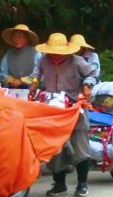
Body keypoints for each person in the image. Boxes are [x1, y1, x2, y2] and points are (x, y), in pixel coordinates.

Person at [30, 33, 96, 196]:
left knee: (80, 145)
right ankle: (59, 184)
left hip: (75, 107)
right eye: (52, 51)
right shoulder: (44, 60)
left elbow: (92, 74)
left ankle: (82, 184)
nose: (55, 54)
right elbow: (36, 73)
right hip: (54, 108)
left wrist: (87, 86)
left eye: (58, 51)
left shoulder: (77, 61)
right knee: (55, 146)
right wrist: (34, 83)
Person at [1, 24, 41, 88]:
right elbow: (2, 73)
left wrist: (22, 81)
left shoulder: (36, 53)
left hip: (31, 88)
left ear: (27, 39)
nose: (17, 39)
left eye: (20, 37)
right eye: (14, 37)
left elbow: (38, 73)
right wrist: (10, 80)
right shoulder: (9, 54)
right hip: (12, 87)